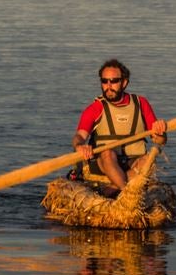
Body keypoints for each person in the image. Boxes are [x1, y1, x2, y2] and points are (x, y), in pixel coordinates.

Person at [70, 59, 167, 193]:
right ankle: (127, 193)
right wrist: (79, 146)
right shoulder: (95, 108)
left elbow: (160, 141)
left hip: (133, 161)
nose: (109, 86)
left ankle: (114, 188)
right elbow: (79, 136)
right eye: (104, 81)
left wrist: (160, 132)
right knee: (108, 153)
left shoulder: (141, 104)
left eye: (114, 81)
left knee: (148, 160)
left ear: (124, 82)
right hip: (104, 162)